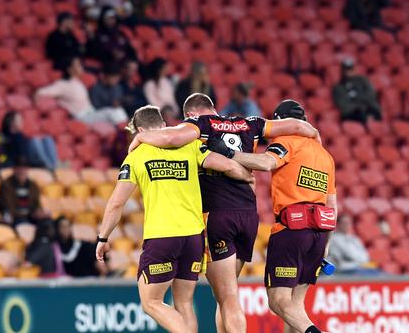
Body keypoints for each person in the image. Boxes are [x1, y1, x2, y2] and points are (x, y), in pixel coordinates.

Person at [127, 94, 321, 333]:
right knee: (226, 296)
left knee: (228, 298)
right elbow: (298, 126)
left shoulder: (199, 125)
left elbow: (169, 136)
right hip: (249, 216)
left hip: (218, 215)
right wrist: (315, 136)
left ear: (191, 115)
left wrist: (140, 137)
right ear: (214, 109)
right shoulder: (250, 123)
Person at [95, 105, 254, 333]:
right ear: (162, 126)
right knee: (184, 303)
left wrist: (103, 237)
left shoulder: (137, 156)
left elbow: (116, 203)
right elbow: (227, 165)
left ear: (140, 130)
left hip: (162, 237)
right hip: (194, 237)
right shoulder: (190, 146)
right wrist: (248, 178)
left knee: (151, 302)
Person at [205, 99, 336, 333]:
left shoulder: (285, 142)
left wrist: (228, 153)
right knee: (295, 307)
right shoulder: (325, 155)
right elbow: (332, 203)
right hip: (319, 235)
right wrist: (326, 242)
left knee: (278, 300)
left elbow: (265, 163)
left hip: (292, 231)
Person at [35, 56, 128, 125]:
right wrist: (36, 95)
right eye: (77, 65)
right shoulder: (62, 84)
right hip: (81, 118)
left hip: (91, 113)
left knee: (118, 111)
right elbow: (41, 92)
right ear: (69, 69)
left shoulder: (78, 82)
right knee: (111, 112)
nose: (81, 67)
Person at [0, 157, 49, 225]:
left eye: (24, 168)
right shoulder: (6, 185)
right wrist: (28, 215)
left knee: (47, 222)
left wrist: (39, 212)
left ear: (28, 170)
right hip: (15, 218)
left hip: (31, 217)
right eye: (19, 168)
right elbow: (7, 207)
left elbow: (36, 204)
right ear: (14, 169)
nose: (22, 171)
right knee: (22, 223)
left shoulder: (33, 186)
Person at [332, 58, 382, 124]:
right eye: (346, 69)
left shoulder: (362, 80)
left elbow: (371, 94)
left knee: (375, 112)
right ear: (342, 71)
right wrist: (359, 105)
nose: (349, 72)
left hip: (369, 108)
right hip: (353, 114)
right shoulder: (338, 87)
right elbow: (343, 104)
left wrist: (356, 97)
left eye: (350, 69)